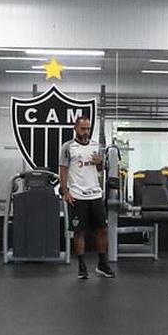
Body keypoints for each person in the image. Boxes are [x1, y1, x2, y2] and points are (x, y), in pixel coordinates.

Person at [59, 116, 114, 280]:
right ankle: (82, 267)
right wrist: (65, 191)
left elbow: (100, 168)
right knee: (79, 232)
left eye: (88, 128)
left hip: (95, 194)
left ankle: (102, 264)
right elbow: (63, 170)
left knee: (102, 230)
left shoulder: (96, 146)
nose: (86, 132)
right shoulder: (68, 147)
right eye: (83, 128)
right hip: (77, 195)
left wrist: (101, 163)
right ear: (75, 128)